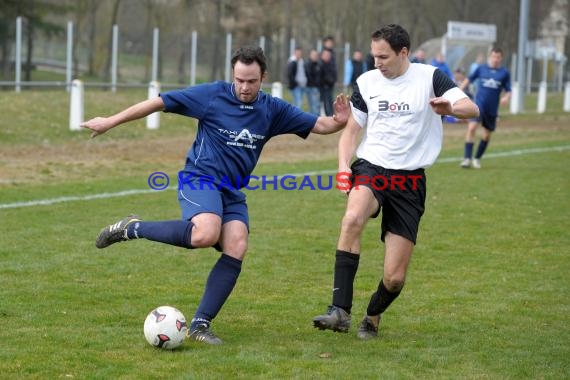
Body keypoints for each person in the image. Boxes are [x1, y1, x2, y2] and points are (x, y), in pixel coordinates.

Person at [81, 46, 350, 345]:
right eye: (239, 80)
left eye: (251, 81)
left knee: (237, 243)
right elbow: (158, 102)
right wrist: (109, 122)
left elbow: (319, 124)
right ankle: (132, 228)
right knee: (205, 234)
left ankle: (199, 325)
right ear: (232, 75)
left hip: (231, 189)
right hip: (200, 178)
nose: (244, 88)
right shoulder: (211, 95)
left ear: (263, 78)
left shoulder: (273, 109)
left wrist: (339, 120)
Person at [312, 24, 479, 340]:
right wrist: (343, 165)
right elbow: (351, 131)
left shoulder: (430, 78)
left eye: (383, 57)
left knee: (395, 278)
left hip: (410, 181)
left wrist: (450, 107)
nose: (377, 63)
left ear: (404, 53)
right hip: (373, 168)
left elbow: (472, 107)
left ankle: (372, 316)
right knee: (351, 219)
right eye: (374, 56)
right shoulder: (367, 81)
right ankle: (339, 311)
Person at [459, 47, 511, 169]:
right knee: (471, 128)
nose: (495, 59)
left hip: (492, 109)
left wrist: (506, 98)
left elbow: (508, 90)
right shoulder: (481, 68)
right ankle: (467, 159)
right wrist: (459, 90)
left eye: (498, 57)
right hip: (478, 105)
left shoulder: (504, 73)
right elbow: (469, 79)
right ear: (490, 57)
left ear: (501, 58)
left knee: (486, 135)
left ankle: (476, 158)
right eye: (493, 56)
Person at [320, 49, 337, 116]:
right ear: (322, 55)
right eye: (326, 55)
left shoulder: (331, 64)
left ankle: (330, 116)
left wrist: (333, 81)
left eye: (329, 55)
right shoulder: (320, 64)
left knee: (330, 103)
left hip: (329, 87)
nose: (328, 56)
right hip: (322, 87)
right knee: (324, 103)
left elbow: (334, 74)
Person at [305, 49, 322, 115]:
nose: (315, 56)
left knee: (316, 105)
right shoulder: (307, 64)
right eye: (313, 55)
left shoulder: (318, 64)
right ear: (310, 55)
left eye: (316, 55)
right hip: (309, 87)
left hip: (316, 87)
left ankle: (316, 119)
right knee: (312, 105)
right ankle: (313, 120)